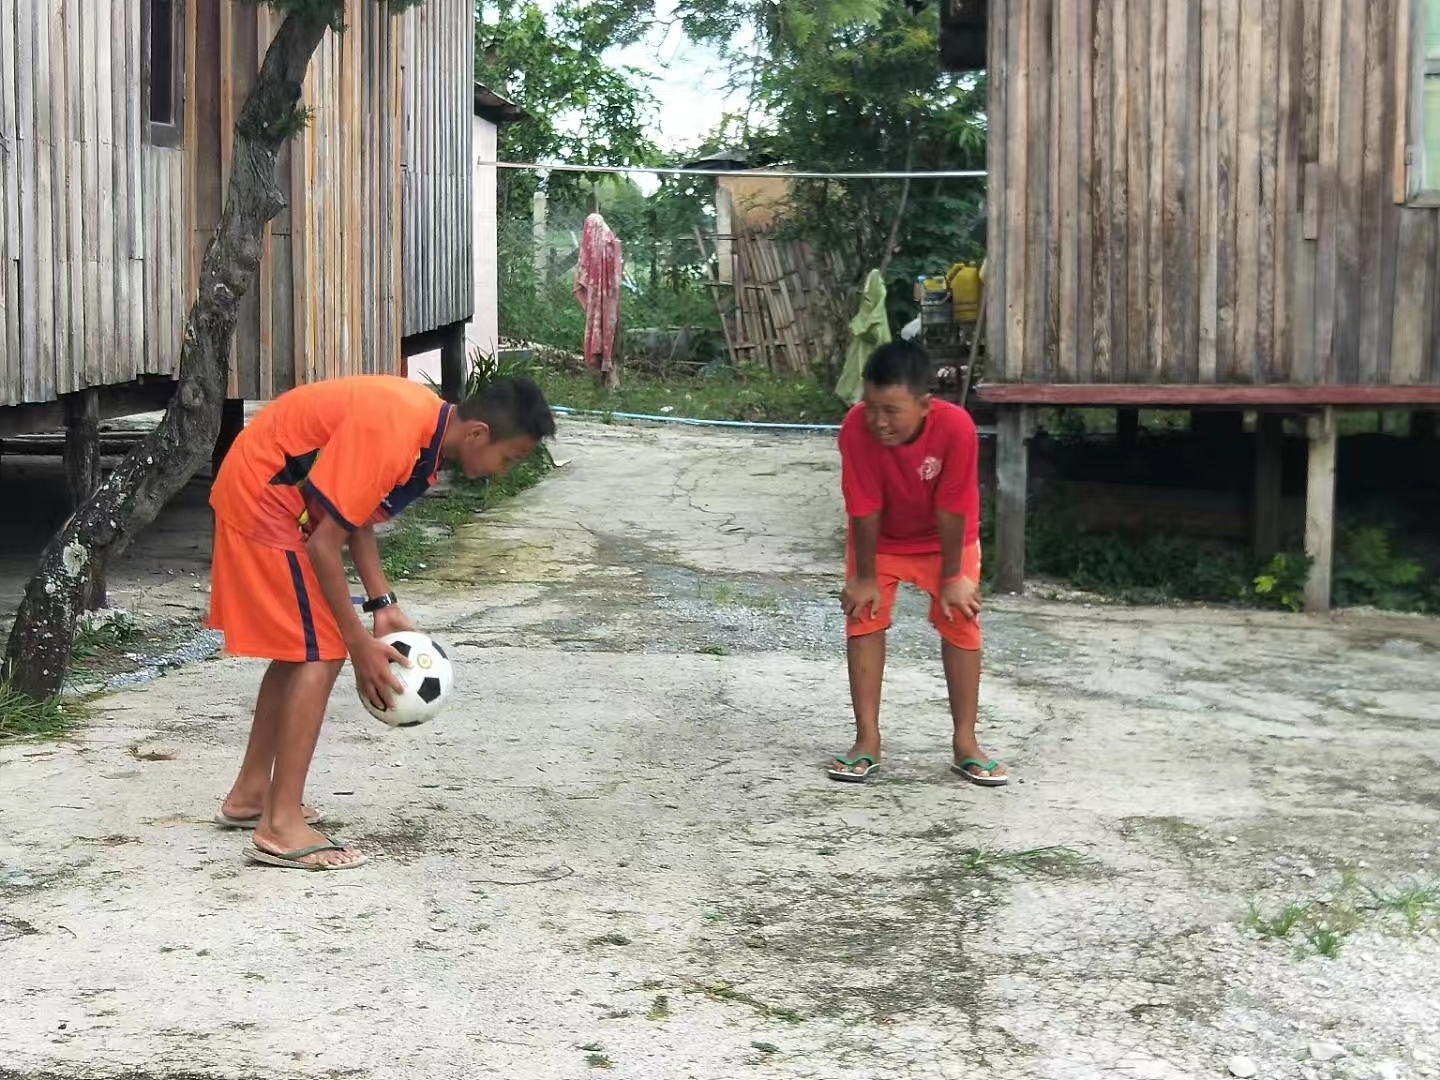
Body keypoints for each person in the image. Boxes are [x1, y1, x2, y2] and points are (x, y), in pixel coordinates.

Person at [207, 374, 556, 869]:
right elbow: (324, 544)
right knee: (322, 652)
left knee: (302, 649)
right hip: (265, 498)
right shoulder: (397, 432)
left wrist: (381, 602)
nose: (504, 472)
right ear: (478, 434)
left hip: (276, 495)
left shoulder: (425, 435)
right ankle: (281, 824)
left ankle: (251, 795)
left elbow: (354, 516)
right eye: (511, 459)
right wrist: (357, 647)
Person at [829, 342, 1007, 786]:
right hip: (880, 538)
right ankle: (867, 740)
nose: (878, 422)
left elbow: (952, 507)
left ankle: (965, 743)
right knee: (863, 617)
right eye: (871, 408)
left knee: (962, 618)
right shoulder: (855, 428)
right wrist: (865, 577)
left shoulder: (956, 428)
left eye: (891, 410)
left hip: (944, 538)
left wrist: (952, 578)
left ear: (925, 405)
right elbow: (863, 506)